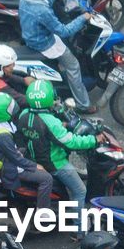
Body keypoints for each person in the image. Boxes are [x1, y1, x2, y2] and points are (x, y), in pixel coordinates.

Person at [15, 80, 101, 208]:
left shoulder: (24, 114)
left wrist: (60, 126)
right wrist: (94, 140)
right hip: (55, 164)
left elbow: (38, 131)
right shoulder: (50, 121)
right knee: (80, 191)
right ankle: (79, 227)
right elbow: (70, 142)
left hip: (32, 159)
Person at [18, 0, 94, 113]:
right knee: (73, 66)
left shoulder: (24, 0)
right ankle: (83, 105)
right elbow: (64, 31)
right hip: (45, 44)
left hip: (30, 38)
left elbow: (40, 3)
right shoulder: (43, 11)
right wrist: (82, 18)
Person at [0, 92, 53, 213]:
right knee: (47, 178)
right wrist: (35, 166)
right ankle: (43, 213)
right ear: (1, 113)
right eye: (9, 108)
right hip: (9, 168)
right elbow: (16, 159)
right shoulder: (3, 136)